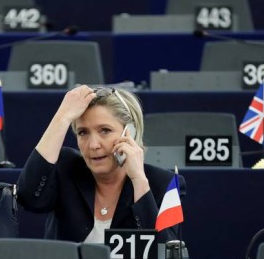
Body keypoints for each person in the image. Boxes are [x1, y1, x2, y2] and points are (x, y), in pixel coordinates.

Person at [17, 84, 184, 243]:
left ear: (130, 133)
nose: (93, 145)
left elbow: (167, 257)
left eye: (105, 131)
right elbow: (28, 197)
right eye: (83, 133)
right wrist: (61, 118)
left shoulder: (163, 184)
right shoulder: (66, 168)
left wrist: (139, 181)